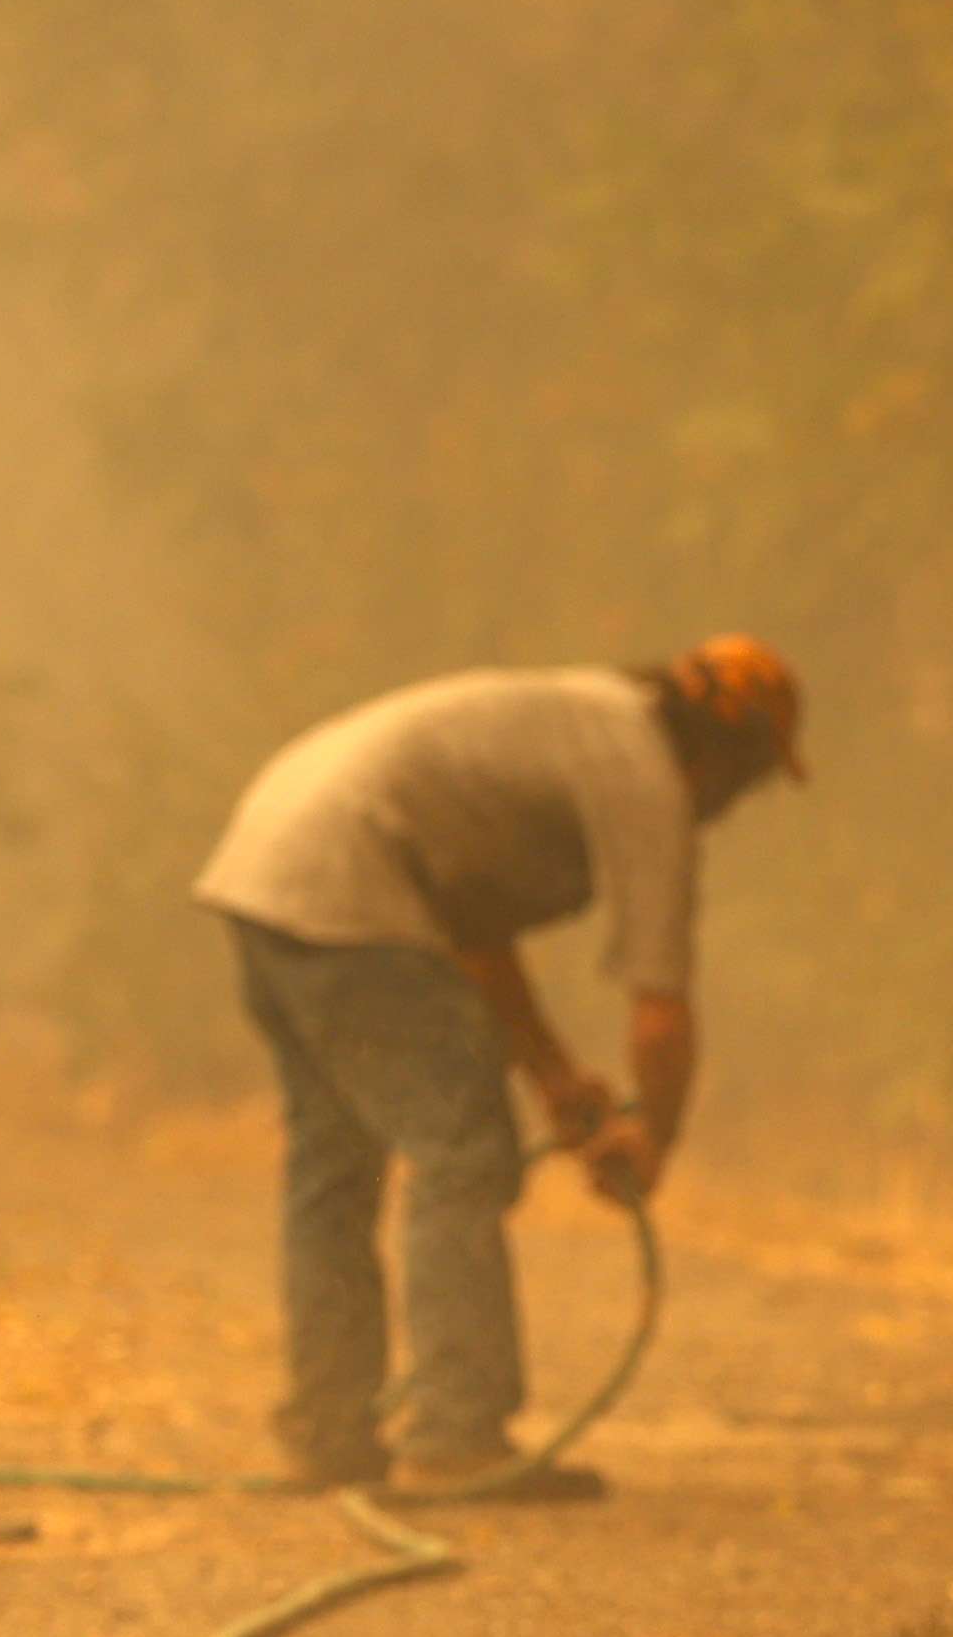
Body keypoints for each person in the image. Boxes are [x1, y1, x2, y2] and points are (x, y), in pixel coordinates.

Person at [192, 642, 805, 1503]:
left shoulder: (584, 721)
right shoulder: (647, 779)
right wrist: (655, 1133)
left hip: (267, 865)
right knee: (463, 1152)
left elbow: (474, 932)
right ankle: (457, 1435)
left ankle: (329, 1434)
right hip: (345, 876)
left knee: (332, 1161)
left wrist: (553, 1079)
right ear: (727, 759)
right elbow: (660, 1008)